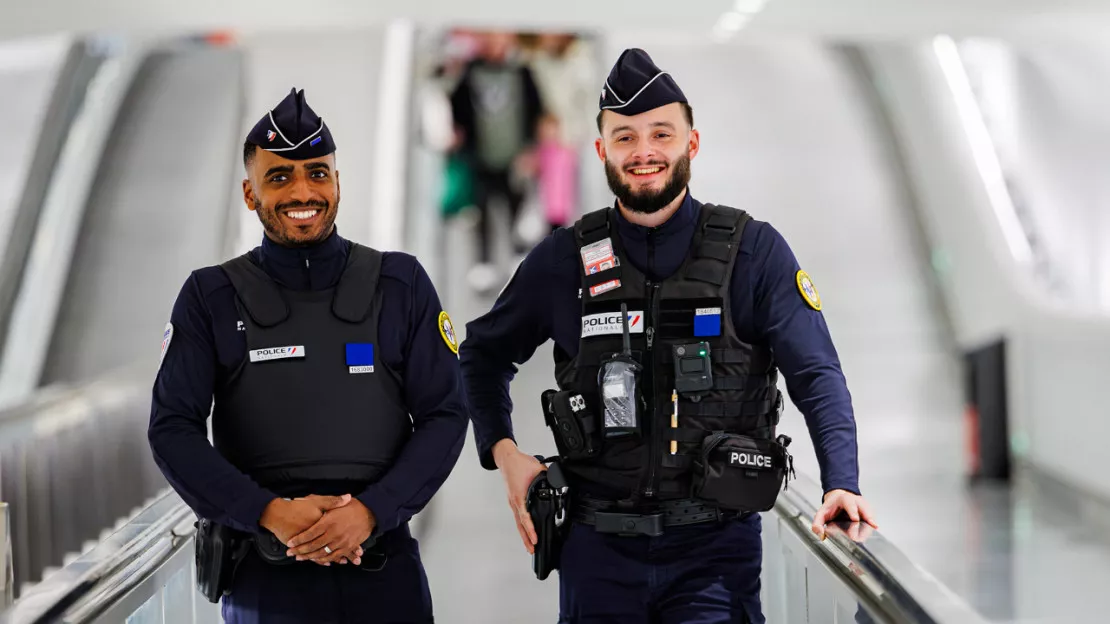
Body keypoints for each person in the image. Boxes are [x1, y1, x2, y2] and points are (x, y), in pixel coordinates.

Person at [458, 49, 878, 623]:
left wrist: (842, 479)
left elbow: (815, 372)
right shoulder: (564, 260)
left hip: (714, 555)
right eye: (625, 137)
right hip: (595, 551)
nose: (644, 152)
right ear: (602, 150)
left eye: (661, 133)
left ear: (692, 144)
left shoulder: (752, 253)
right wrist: (503, 453)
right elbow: (481, 353)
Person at [148, 88, 468, 623]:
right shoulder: (209, 297)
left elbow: (445, 412)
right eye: (280, 177)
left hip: (384, 575)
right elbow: (171, 428)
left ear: (338, 182)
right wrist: (267, 512)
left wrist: (371, 512)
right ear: (250, 194)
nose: (303, 190)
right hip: (264, 582)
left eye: (318, 173)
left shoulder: (401, 283)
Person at [448, 31, 544, 295]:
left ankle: (518, 258)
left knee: (517, 206)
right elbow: (453, 106)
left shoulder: (522, 72)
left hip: (514, 158)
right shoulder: (469, 73)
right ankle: (484, 263)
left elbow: (536, 109)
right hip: (480, 158)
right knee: (481, 211)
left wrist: (530, 149)